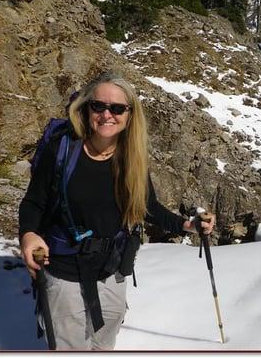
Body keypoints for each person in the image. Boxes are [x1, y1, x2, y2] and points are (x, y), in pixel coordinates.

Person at [19, 71, 215, 350]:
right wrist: (28, 234)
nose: (106, 114)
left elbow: (147, 206)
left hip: (112, 269)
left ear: (130, 115)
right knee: (70, 347)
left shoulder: (131, 158)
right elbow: (33, 203)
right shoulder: (61, 150)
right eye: (98, 106)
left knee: (104, 344)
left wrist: (188, 225)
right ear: (86, 109)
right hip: (64, 268)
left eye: (117, 108)